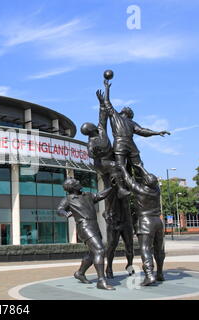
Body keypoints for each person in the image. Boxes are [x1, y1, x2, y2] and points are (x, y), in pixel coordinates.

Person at [81, 89, 134, 279]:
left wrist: (103, 100)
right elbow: (89, 154)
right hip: (102, 165)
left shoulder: (101, 130)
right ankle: (119, 187)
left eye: (92, 127)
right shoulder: (91, 142)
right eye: (90, 129)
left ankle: (122, 185)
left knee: (120, 166)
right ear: (88, 133)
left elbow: (102, 116)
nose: (94, 128)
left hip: (112, 162)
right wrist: (95, 150)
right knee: (114, 167)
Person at [103, 80, 170, 180]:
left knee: (123, 166)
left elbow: (143, 131)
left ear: (129, 114)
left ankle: (143, 181)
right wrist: (107, 88)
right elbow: (143, 131)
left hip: (121, 145)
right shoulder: (121, 118)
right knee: (138, 165)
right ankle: (144, 180)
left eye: (128, 108)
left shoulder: (119, 117)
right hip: (129, 145)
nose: (127, 107)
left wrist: (157, 132)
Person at [57, 179, 115, 290]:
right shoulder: (68, 199)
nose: (79, 182)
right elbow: (59, 209)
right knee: (100, 250)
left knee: (93, 253)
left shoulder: (87, 194)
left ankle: (80, 273)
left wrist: (111, 187)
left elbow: (99, 196)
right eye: (76, 182)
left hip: (94, 225)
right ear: (73, 187)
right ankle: (101, 281)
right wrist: (65, 213)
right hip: (84, 226)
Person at [118, 163, 166, 286]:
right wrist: (140, 167)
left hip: (145, 221)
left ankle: (149, 275)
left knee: (145, 249)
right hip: (158, 221)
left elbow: (128, 180)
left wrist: (123, 167)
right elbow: (150, 179)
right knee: (159, 248)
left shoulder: (140, 190)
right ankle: (159, 273)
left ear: (145, 182)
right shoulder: (156, 191)